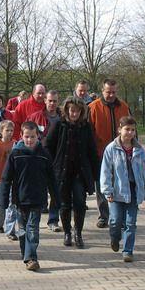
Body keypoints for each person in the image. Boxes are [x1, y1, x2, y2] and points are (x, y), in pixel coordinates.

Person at [0, 121, 57, 271]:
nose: (29, 140)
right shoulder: (15, 154)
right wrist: (3, 200)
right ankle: (25, 252)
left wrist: (56, 198)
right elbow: (6, 178)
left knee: (32, 228)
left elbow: (52, 178)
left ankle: (31, 258)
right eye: (26, 137)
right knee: (22, 229)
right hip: (20, 199)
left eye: (33, 137)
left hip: (37, 198)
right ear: (21, 136)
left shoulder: (44, 155)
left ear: (38, 136)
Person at [100, 116, 145, 263]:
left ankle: (128, 251)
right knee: (115, 220)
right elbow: (105, 171)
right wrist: (107, 190)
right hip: (116, 190)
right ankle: (115, 237)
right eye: (127, 129)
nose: (130, 133)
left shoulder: (139, 150)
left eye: (132, 130)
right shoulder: (111, 148)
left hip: (133, 191)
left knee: (130, 223)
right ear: (120, 130)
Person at [45, 97, 98, 248]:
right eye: (72, 110)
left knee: (80, 203)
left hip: (80, 172)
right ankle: (67, 232)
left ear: (82, 112)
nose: (74, 114)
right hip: (62, 171)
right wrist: (52, 164)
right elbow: (48, 146)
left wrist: (95, 172)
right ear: (67, 110)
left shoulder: (86, 127)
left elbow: (92, 150)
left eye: (77, 111)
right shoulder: (59, 125)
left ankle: (78, 233)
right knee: (64, 204)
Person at [88, 79, 131, 228]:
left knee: (120, 183)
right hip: (100, 153)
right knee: (102, 185)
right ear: (102, 91)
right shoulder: (93, 107)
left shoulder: (124, 107)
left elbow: (132, 129)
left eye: (114, 92)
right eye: (108, 92)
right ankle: (104, 216)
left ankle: (119, 216)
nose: (111, 95)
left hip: (122, 153)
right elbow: (89, 132)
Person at [28, 90, 63, 230]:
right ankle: (34, 221)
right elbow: (26, 136)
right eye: (50, 101)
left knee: (56, 190)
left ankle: (53, 220)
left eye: (55, 101)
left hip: (58, 159)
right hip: (39, 159)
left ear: (58, 102)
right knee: (39, 190)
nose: (52, 103)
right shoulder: (36, 117)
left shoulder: (63, 119)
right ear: (45, 101)